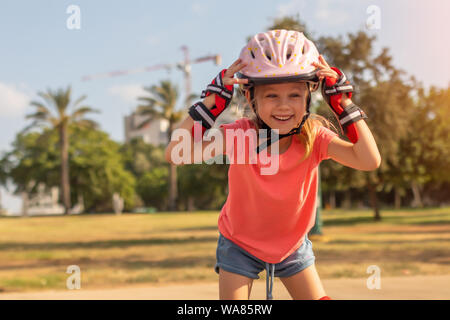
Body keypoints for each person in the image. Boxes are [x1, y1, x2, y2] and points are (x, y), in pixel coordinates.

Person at [165, 29, 381, 300]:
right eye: (271, 96)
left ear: (309, 96)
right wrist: (211, 104)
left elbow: (369, 160)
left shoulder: (315, 137)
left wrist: (344, 105)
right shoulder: (239, 135)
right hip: (239, 243)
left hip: (292, 246)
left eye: (294, 95)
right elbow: (176, 153)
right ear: (251, 98)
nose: (284, 106)